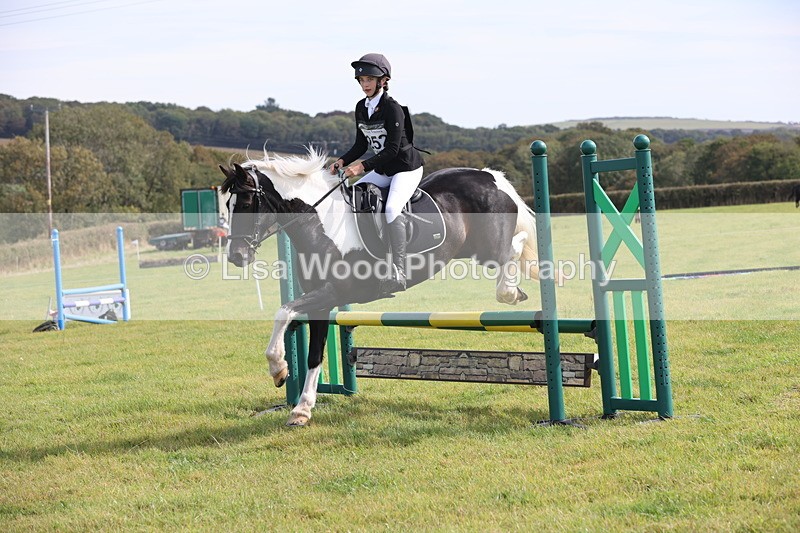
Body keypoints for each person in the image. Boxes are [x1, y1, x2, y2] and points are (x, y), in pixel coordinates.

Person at [328, 53, 425, 293]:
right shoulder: (362, 107)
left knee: (392, 208)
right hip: (383, 169)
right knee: (351, 196)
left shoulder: (393, 108)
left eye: (370, 79)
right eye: (361, 80)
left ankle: (399, 270)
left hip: (405, 168)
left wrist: (361, 167)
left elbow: (393, 149)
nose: (365, 84)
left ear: (383, 80)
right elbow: (361, 146)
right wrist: (341, 161)